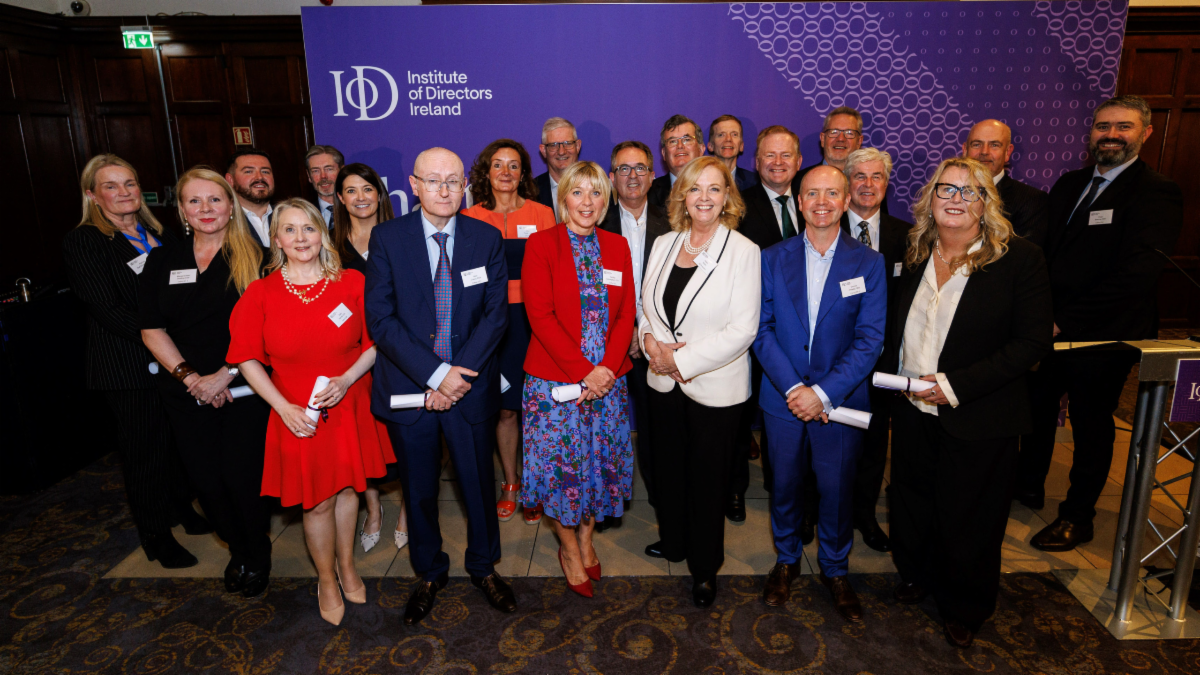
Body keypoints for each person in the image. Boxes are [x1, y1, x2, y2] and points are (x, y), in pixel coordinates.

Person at [882, 157, 1052, 648]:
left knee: (970, 513)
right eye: (946, 190)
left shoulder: (1019, 259)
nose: (955, 199)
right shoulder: (912, 252)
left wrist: (955, 385)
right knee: (914, 500)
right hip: (912, 407)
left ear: (986, 203)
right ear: (929, 200)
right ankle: (916, 575)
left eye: (969, 191)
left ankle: (965, 605)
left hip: (980, 414)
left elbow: (1031, 344)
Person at [1020, 95, 1183, 552]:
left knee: (1091, 423)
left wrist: (1064, 321)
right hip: (1049, 327)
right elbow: (1045, 256)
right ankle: (1028, 485)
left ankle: (1078, 515)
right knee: (1035, 408)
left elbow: (1137, 274)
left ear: (1144, 133)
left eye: (1123, 127)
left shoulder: (1156, 191)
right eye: (1102, 126)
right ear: (1090, 133)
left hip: (1107, 333)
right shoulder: (1070, 184)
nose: (1111, 135)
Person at [364, 147, 517, 626]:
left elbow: (496, 316)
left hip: (468, 388)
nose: (445, 190)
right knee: (420, 490)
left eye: (453, 180)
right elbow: (381, 320)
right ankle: (429, 573)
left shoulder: (486, 237)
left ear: (464, 186)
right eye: (433, 181)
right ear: (414, 185)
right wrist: (435, 375)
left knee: (477, 486)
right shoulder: (387, 239)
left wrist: (456, 377)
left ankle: (483, 567)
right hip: (413, 390)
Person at [228, 198, 396, 626]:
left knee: (347, 492)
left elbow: (378, 340)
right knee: (316, 501)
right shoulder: (259, 292)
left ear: (322, 233)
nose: (301, 238)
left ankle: (347, 566)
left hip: (348, 402)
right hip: (296, 412)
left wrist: (347, 379)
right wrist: (282, 407)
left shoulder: (353, 282)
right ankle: (325, 579)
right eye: (290, 229)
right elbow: (246, 358)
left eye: (309, 228)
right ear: (276, 238)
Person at [62, 154, 209, 570]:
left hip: (171, 359)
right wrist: (166, 340)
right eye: (112, 186)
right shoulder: (86, 240)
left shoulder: (157, 232)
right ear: (92, 194)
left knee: (177, 444)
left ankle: (182, 508)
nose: (124, 193)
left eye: (130, 184)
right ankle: (155, 535)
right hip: (127, 364)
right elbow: (106, 309)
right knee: (144, 452)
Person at [755, 165, 886, 624]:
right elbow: (762, 330)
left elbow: (870, 339)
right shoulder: (772, 257)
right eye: (813, 193)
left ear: (847, 200)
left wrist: (823, 393)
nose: (823, 201)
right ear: (799, 200)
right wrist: (795, 388)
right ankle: (786, 560)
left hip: (842, 402)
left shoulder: (868, 262)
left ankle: (835, 569)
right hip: (783, 398)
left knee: (836, 489)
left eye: (832, 193)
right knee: (785, 485)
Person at [139, 167, 272, 596]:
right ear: (181, 210)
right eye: (194, 201)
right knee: (207, 484)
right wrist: (190, 377)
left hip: (244, 389)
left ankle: (256, 555)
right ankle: (238, 548)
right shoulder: (163, 260)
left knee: (240, 479)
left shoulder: (262, 256)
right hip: (186, 393)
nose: (205, 209)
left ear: (230, 205)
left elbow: (271, 327)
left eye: (214, 199)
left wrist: (225, 374)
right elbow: (150, 327)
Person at [640, 156, 759, 608]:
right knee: (668, 472)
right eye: (695, 189)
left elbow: (743, 330)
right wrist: (649, 341)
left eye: (714, 188)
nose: (704, 197)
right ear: (682, 197)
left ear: (727, 196)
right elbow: (645, 305)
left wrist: (679, 360)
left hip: (714, 389)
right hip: (662, 382)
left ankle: (705, 567)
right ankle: (673, 543)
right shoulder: (664, 243)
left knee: (708, 482)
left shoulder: (743, 251)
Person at [521, 161, 636, 599]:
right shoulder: (541, 245)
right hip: (555, 385)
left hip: (607, 383)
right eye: (578, 193)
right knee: (560, 472)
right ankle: (568, 548)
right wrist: (584, 371)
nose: (587, 202)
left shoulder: (618, 246)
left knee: (597, 468)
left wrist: (604, 370)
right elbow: (541, 316)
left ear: (605, 201)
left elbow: (626, 313)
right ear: (563, 197)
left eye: (596, 194)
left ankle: (587, 539)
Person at [462, 139, 557, 527]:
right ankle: (511, 483)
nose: (505, 172)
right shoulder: (467, 217)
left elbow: (554, 272)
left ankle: (536, 486)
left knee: (534, 407)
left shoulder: (544, 214)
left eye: (513, 165)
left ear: (524, 173)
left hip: (533, 321)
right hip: (487, 322)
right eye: (497, 165)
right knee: (503, 409)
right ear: (486, 172)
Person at [836, 148, 913, 553]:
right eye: (859, 177)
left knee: (871, 445)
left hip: (883, 364)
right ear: (846, 183)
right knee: (829, 440)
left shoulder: (910, 236)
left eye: (876, 177)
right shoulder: (825, 226)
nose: (867, 185)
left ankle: (863, 516)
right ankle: (822, 512)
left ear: (887, 183)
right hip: (832, 361)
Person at [330, 162, 407, 553]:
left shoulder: (401, 236)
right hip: (350, 359)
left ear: (380, 193)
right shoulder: (329, 245)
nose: (360, 197)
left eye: (367, 189)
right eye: (351, 191)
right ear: (340, 198)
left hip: (396, 352)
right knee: (364, 439)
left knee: (405, 436)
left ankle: (409, 509)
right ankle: (373, 509)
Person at [734, 125, 804, 522]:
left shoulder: (816, 200)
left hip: (803, 336)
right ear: (756, 162)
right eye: (769, 156)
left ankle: (786, 491)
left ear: (797, 161)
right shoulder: (738, 205)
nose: (777, 163)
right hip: (752, 329)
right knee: (742, 417)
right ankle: (736, 489)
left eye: (785, 155)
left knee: (791, 415)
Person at [599, 140, 672, 521]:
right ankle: (609, 505)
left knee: (655, 429)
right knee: (608, 428)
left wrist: (645, 333)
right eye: (624, 169)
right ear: (611, 178)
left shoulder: (673, 222)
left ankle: (662, 501)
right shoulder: (594, 221)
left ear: (652, 175)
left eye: (640, 168)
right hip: (604, 345)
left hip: (655, 344)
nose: (632, 175)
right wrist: (621, 332)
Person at [962, 120, 1049, 244]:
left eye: (994, 145)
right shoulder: (944, 194)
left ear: (1008, 152)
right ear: (965, 150)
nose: (984, 152)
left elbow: (1025, 258)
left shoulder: (1031, 200)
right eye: (976, 144)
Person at [792, 107, 890, 216]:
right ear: (823, 139)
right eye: (834, 132)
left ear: (859, 141)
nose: (841, 139)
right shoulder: (799, 182)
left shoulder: (870, 185)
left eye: (849, 133)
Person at [647, 115, 706, 210]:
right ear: (664, 153)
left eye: (687, 140)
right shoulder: (648, 193)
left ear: (701, 149)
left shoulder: (719, 188)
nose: (680, 146)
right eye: (672, 141)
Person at [226, 149, 276, 248]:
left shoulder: (290, 215)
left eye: (265, 171)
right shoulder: (223, 222)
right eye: (249, 171)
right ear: (230, 180)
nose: (259, 177)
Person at [534, 117, 581, 217]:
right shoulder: (530, 191)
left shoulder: (597, 187)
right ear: (543, 150)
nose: (561, 151)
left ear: (577, 146)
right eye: (553, 145)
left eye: (567, 144)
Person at [707, 114, 759, 191]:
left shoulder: (755, 183)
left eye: (734, 135)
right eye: (721, 135)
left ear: (741, 146)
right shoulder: (697, 179)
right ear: (710, 146)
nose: (728, 139)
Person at [306, 145, 345, 228]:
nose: (323, 176)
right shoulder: (304, 214)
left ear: (342, 171)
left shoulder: (357, 209)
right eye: (316, 171)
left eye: (329, 169)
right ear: (309, 176)